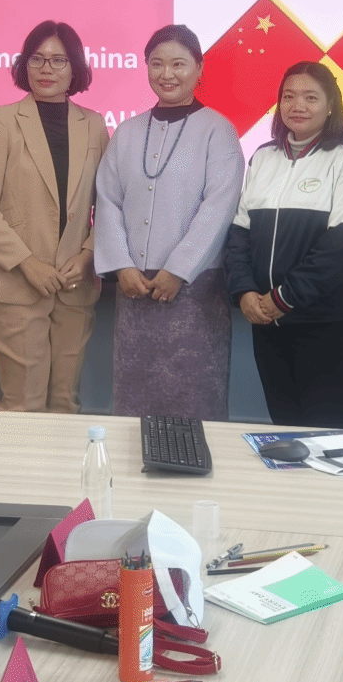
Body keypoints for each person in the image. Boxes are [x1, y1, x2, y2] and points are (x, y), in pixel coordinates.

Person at [94, 25, 245, 420]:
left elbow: (219, 207)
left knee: (193, 399)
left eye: (179, 64)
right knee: (134, 401)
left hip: (194, 290)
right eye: (157, 64)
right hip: (134, 288)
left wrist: (178, 270)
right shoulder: (127, 132)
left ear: (199, 68)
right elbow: (107, 201)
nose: (167, 74)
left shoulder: (218, 130)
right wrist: (121, 266)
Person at [0, 21, 109, 413]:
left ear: (75, 67)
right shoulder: (1, 120)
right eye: (37, 59)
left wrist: (88, 254)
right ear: (24, 65)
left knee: (65, 404)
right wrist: (28, 264)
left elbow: (110, 203)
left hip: (74, 283)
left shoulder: (95, 125)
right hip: (18, 284)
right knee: (22, 407)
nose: (46, 68)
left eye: (58, 60)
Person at [225, 61, 343, 429]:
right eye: (289, 97)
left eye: (310, 97)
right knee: (286, 429)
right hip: (267, 323)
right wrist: (245, 292)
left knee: (329, 434)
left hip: (331, 323)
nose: (298, 106)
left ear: (331, 105)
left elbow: (342, 245)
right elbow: (239, 233)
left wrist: (282, 298)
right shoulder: (263, 157)